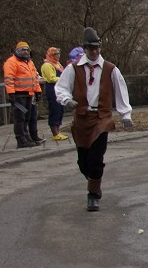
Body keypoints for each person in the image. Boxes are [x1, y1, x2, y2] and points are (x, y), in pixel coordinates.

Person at [55, 28, 132, 211]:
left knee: (96, 159)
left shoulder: (110, 69)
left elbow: (121, 91)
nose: (95, 52)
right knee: (84, 163)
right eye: (91, 48)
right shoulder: (73, 68)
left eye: (97, 48)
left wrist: (125, 114)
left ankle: (93, 194)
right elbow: (61, 88)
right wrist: (67, 100)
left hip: (102, 118)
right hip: (82, 119)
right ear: (85, 48)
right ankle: (94, 183)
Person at [4, 41, 43, 148]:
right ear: (18, 51)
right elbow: (9, 79)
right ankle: (21, 139)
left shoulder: (29, 62)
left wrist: (37, 90)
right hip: (18, 95)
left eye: (27, 50)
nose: (26, 52)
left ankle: (27, 137)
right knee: (20, 118)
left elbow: (34, 78)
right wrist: (11, 93)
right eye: (23, 50)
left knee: (27, 117)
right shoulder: (11, 62)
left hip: (29, 94)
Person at [40, 46, 68, 140]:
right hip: (52, 89)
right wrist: (63, 79)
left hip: (60, 89)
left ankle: (58, 130)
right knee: (54, 110)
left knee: (60, 110)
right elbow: (51, 78)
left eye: (58, 54)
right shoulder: (47, 65)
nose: (58, 56)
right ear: (51, 55)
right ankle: (54, 132)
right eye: (56, 54)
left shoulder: (58, 64)